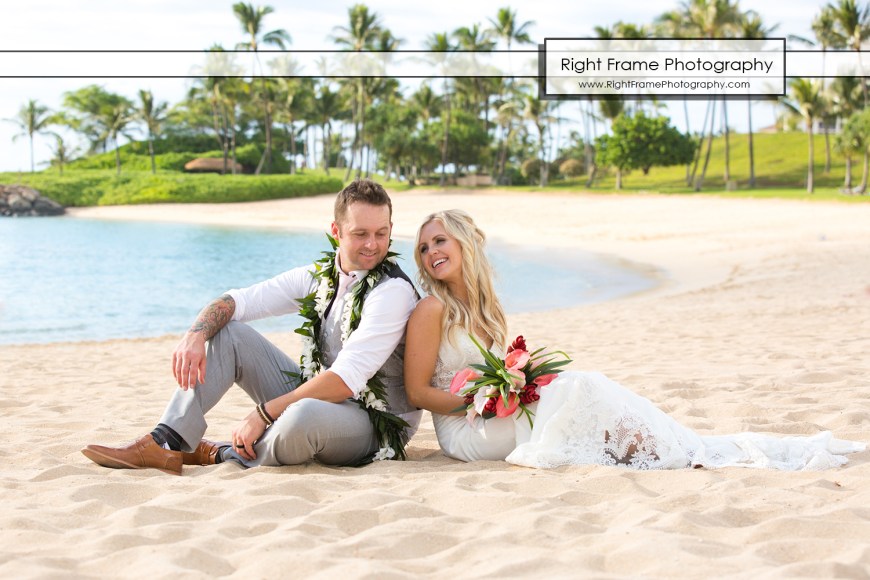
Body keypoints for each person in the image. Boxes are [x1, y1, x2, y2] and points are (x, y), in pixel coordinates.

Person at [404, 209, 865, 470]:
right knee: (576, 390)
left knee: (580, 385)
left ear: (465, 243)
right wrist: (484, 402)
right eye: (423, 248)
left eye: (439, 241)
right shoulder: (432, 310)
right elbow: (418, 392)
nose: (430, 253)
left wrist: (510, 391)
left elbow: (499, 378)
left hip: (494, 415)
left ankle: (666, 448)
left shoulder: (486, 310)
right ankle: (659, 451)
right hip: (466, 432)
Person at [82, 179, 420, 475]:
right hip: (324, 399)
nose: (373, 244)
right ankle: (166, 440)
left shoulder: (392, 292)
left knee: (302, 417)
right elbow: (239, 301)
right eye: (360, 234)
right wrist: (195, 334)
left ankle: (218, 453)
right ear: (337, 231)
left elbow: (346, 379)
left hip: (377, 423)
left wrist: (263, 414)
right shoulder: (320, 277)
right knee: (229, 333)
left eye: (382, 233)